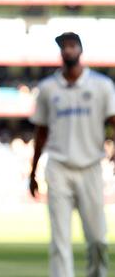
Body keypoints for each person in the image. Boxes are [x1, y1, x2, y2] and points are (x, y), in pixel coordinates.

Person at [29, 32, 115, 277]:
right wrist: (33, 172)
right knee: (60, 240)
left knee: (98, 239)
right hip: (58, 167)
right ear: (60, 52)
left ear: (80, 49)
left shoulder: (101, 86)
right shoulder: (47, 89)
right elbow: (41, 132)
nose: (68, 50)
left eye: (71, 45)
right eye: (64, 46)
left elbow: (113, 120)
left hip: (90, 166)